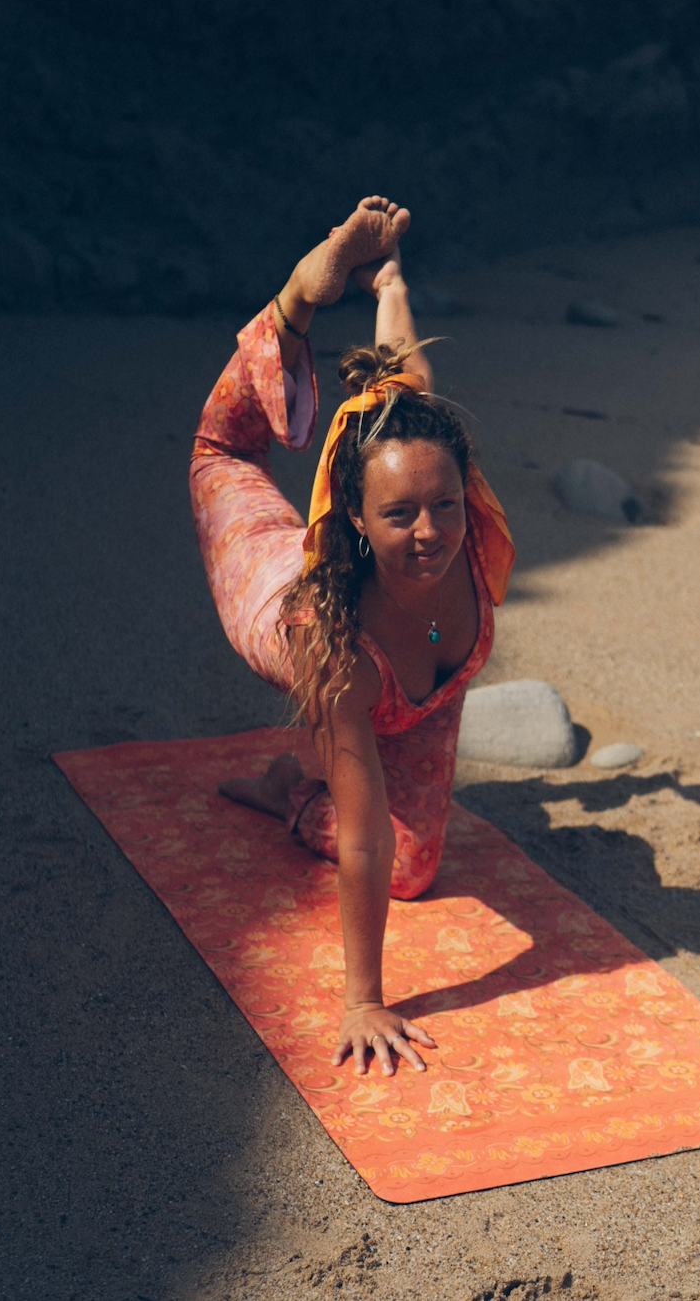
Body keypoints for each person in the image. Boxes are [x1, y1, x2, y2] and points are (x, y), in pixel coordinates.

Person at [190, 197, 514, 1080]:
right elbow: (361, 836)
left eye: (444, 504)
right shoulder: (336, 650)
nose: (430, 532)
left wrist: (392, 284)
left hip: (414, 680)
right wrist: (364, 999)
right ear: (358, 520)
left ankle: (290, 789)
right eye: (400, 514)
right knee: (223, 448)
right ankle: (297, 296)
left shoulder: (461, 531)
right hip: (282, 598)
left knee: (417, 873)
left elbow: (412, 393)